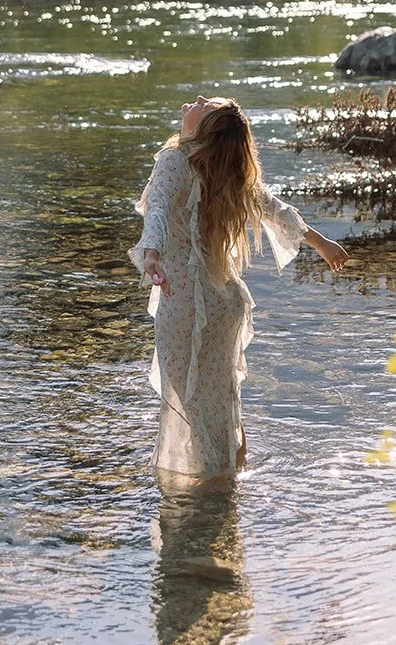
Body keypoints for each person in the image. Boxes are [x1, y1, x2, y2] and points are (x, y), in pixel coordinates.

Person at [129, 94, 348, 482]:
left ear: (205, 128)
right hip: (224, 300)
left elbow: (159, 209)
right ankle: (230, 485)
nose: (195, 99)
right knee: (223, 402)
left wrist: (151, 254)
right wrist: (321, 243)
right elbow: (275, 210)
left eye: (206, 105)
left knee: (190, 405)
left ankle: (210, 496)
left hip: (185, 302)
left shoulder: (174, 160)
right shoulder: (229, 171)